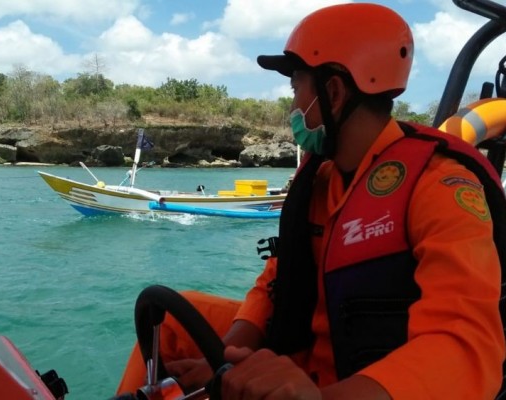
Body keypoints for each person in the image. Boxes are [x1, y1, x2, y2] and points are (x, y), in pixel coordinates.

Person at [116, 3, 506, 399]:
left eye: (296, 88)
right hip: (302, 358)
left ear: (332, 93)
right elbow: (278, 277)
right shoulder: (321, 177)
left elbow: (466, 343)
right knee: (168, 322)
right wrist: (228, 358)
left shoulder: (439, 184)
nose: (292, 107)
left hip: (359, 383)